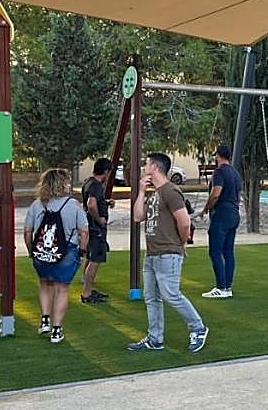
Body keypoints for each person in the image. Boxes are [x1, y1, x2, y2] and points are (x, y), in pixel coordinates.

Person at [128, 153, 209, 353]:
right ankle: (155, 339)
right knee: (151, 297)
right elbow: (137, 216)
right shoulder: (154, 194)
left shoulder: (171, 191)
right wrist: (141, 191)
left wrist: (181, 245)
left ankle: (198, 328)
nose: (144, 167)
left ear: (154, 167)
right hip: (152, 254)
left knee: (171, 294)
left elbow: (185, 222)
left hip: (168, 253)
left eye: (146, 164)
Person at [23, 168, 88, 344]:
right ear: (63, 184)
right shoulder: (73, 205)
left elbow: (28, 232)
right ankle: (57, 330)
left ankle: (45, 319)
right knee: (62, 289)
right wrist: (82, 251)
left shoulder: (37, 205)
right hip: (67, 252)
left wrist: (31, 251)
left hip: (41, 252)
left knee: (44, 284)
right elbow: (84, 231)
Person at [200, 145, 241, 299]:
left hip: (221, 214)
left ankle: (221, 287)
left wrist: (206, 208)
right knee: (228, 252)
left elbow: (216, 193)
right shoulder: (235, 173)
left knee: (215, 252)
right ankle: (227, 287)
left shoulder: (219, 172)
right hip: (234, 213)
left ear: (218, 156)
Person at [80, 157, 113, 304]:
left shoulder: (88, 182)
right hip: (96, 228)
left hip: (90, 227)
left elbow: (92, 202)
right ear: (105, 171)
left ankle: (87, 287)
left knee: (90, 257)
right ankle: (86, 294)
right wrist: (99, 220)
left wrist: (106, 203)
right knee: (95, 260)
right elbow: (91, 204)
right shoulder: (96, 185)